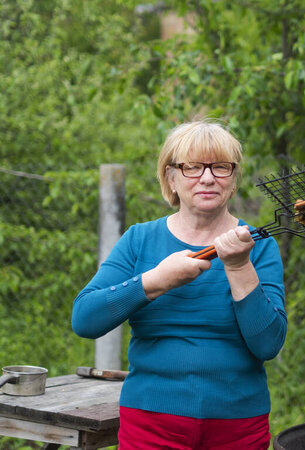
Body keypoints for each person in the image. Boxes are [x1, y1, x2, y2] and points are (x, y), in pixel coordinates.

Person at [72, 119, 286, 450]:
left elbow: (268, 345)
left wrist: (239, 265)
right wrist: (155, 281)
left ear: (234, 178)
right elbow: (85, 319)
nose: (207, 177)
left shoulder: (256, 246)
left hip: (238, 424)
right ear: (171, 177)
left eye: (220, 167)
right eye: (192, 167)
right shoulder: (140, 240)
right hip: (151, 423)